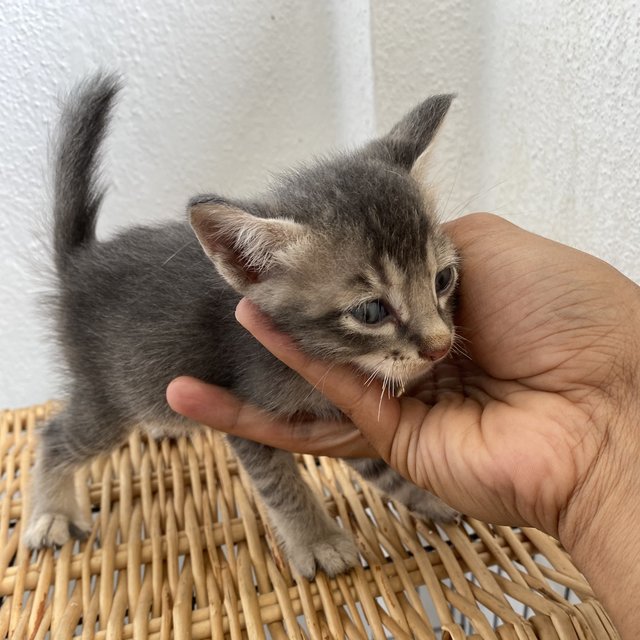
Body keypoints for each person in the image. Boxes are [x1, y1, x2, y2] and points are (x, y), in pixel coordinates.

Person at [167, 213, 640, 639]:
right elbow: (248, 428)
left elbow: (365, 429)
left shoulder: (350, 345)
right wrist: (304, 526)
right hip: (120, 381)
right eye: (371, 310)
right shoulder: (276, 338)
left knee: (358, 417)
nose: (440, 338)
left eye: (441, 279)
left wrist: (602, 419)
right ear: (251, 266)